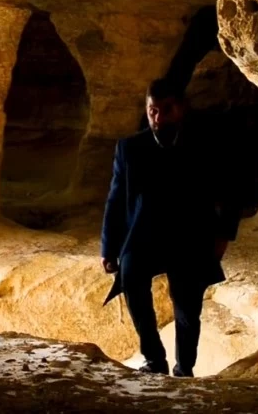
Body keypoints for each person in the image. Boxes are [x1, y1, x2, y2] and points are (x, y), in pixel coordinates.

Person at [100, 77, 241, 377]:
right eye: (153, 110)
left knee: (188, 308)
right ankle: (154, 359)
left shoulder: (205, 145)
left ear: (181, 108)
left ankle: (184, 368)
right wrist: (109, 248)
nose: (159, 118)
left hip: (189, 237)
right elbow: (114, 199)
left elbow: (230, 191)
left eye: (167, 109)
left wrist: (224, 235)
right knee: (131, 279)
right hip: (143, 237)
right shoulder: (129, 149)